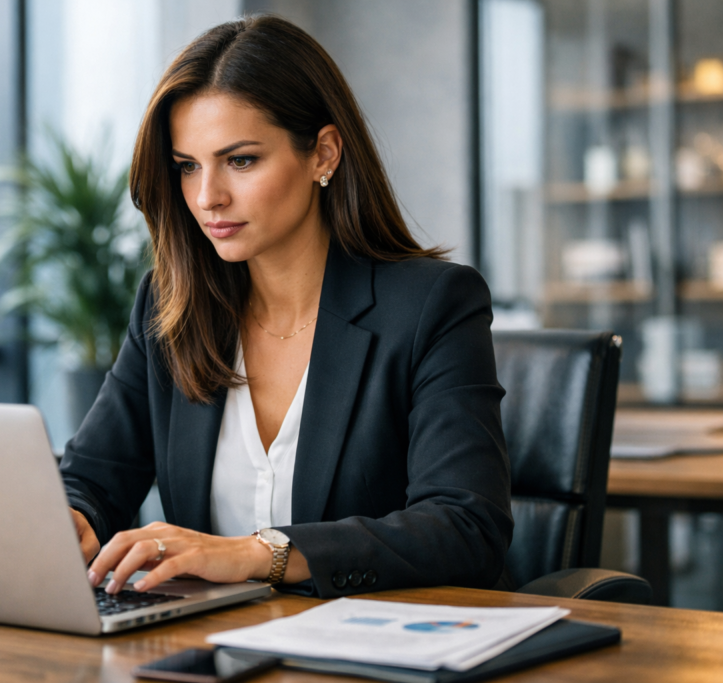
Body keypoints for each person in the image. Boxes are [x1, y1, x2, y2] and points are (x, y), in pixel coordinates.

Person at [60, 15, 513, 599]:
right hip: (210, 641)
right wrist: (72, 517)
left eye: (241, 160)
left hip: (371, 639)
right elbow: (92, 480)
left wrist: (260, 554)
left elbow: (466, 527)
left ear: (323, 154)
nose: (208, 197)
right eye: (187, 166)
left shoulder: (433, 305)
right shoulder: (170, 310)